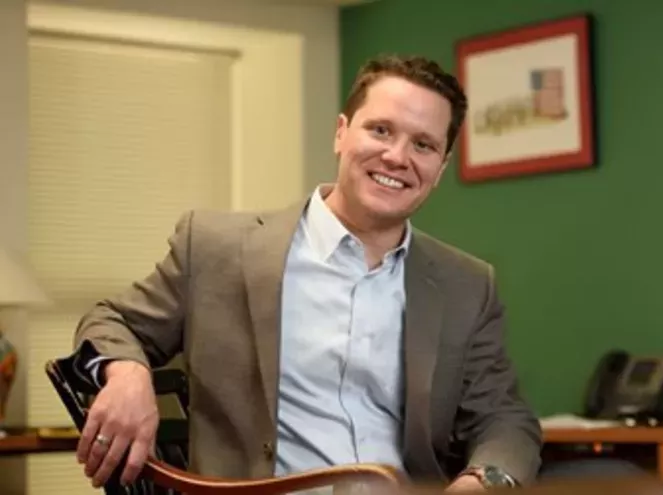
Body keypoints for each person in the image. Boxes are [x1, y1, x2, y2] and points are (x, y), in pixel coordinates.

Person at [72, 54, 542, 491]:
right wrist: (128, 373)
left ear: (440, 168)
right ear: (341, 133)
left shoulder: (467, 285)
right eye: (381, 130)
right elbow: (110, 321)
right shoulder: (216, 249)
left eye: (423, 145)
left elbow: (504, 419)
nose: (398, 157)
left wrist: (483, 480)